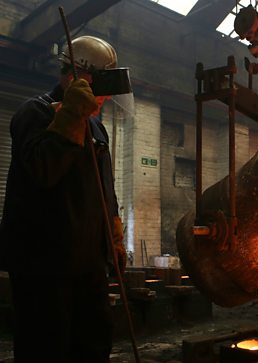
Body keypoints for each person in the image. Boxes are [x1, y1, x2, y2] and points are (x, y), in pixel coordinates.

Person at [0, 35, 129, 362]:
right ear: (74, 77)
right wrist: (71, 114)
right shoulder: (35, 113)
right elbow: (43, 170)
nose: (107, 97)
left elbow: (104, 185)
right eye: (100, 84)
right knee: (46, 349)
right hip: (44, 267)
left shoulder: (98, 129)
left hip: (88, 266)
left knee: (93, 346)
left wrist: (112, 233)